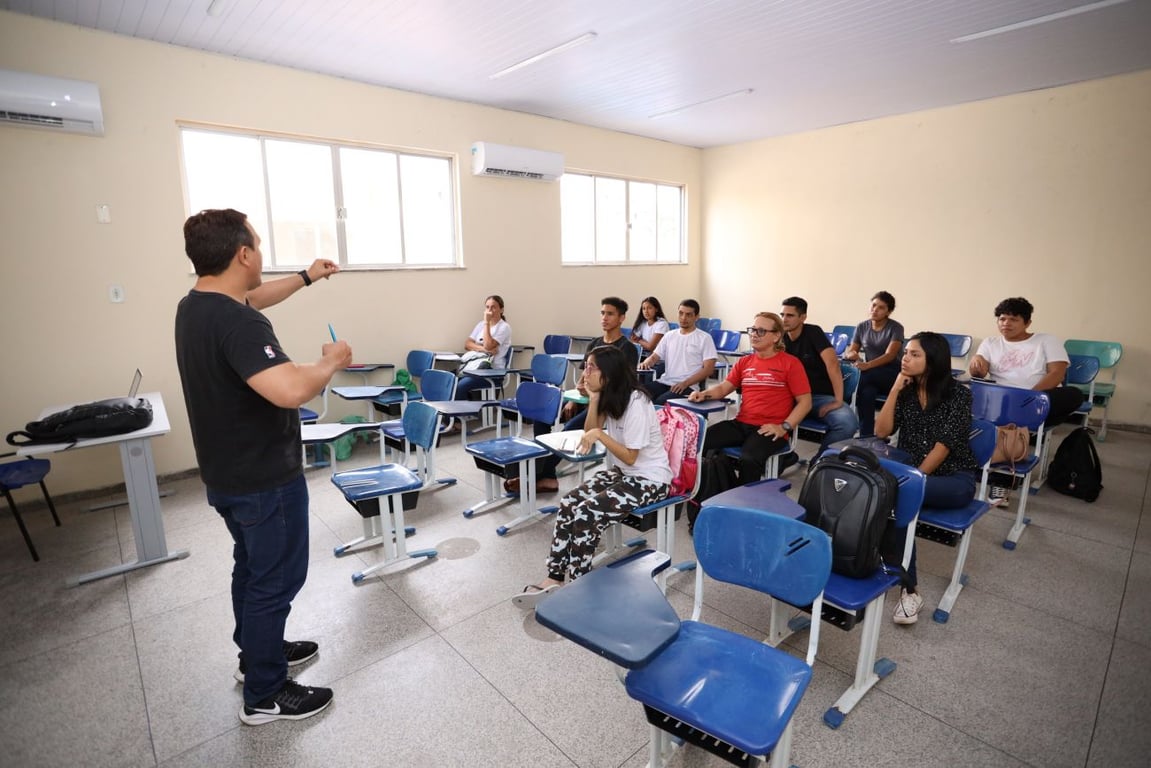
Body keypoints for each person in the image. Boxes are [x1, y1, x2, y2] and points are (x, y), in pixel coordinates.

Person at [175, 209, 351, 725]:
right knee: (275, 579)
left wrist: (304, 277)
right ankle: (266, 694)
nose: (261, 250)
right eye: (257, 242)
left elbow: (255, 296)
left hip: (228, 473)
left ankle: (257, 655)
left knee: (251, 569)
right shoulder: (238, 321)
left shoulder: (197, 306)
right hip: (263, 480)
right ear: (243, 254)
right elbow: (291, 389)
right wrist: (331, 361)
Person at [513, 345, 672, 608]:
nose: (585, 373)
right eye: (585, 366)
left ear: (608, 373)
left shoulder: (637, 402)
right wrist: (595, 398)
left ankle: (579, 585)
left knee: (587, 513)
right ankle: (554, 578)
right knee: (568, 504)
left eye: (591, 367)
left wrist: (600, 435)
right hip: (624, 473)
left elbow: (631, 456)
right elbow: (590, 431)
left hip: (651, 480)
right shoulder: (611, 396)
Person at [876, 331, 979, 626]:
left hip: (954, 480)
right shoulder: (906, 391)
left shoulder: (959, 395)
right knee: (876, 488)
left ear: (933, 361)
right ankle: (879, 563)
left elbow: (943, 446)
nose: (905, 358)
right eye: (905, 353)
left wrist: (913, 481)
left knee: (894, 495)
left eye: (914, 354)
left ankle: (910, 590)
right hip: (912, 473)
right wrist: (895, 389)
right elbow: (882, 431)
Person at [508, 297, 639, 495]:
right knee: (541, 415)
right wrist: (571, 400)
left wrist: (595, 392)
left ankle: (534, 474)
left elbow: (622, 384)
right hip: (584, 400)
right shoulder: (595, 343)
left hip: (606, 405)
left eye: (610, 314)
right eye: (602, 313)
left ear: (622, 318)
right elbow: (582, 378)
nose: (604, 318)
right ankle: (548, 475)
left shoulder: (626, 348)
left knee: (569, 429)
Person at [689, 312, 812, 485]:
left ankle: (744, 502)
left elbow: (805, 402)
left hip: (770, 428)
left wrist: (784, 427)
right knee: (700, 442)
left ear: (776, 336)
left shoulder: (791, 363)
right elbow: (724, 388)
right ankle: (717, 489)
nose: (754, 334)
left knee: (749, 458)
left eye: (761, 331)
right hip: (742, 423)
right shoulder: (744, 362)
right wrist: (704, 394)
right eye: (753, 330)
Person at [968, 297, 1085, 426]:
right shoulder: (990, 343)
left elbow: (1057, 373)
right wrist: (976, 362)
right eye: (1002, 319)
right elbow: (979, 375)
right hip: (1002, 398)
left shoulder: (1047, 340)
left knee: (1074, 394)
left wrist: (1029, 397)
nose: (1006, 323)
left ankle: (1020, 421)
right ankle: (1022, 423)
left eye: (1013, 319)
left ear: (1027, 323)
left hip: (1035, 398)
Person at [780, 296, 859, 453]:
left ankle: (820, 463)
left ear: (803, 317)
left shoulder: (813, 332)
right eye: (782, 315)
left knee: (847, 423)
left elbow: (833, 364)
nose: (784, 319)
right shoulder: (779, 336)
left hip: (816, 396)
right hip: (787, 396)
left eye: (790, 315)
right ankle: (782, 456)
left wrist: (838, 400)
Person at [844, 291, 904, 437]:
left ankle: (841, 397)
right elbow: (852, 350)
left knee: (861, 378)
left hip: (892, 373)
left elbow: (890, 355)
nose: (875, 310)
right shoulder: (862, 326)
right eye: (873, 305)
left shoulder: (896, 327)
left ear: (888, 312)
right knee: (867, 393)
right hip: (870, 374)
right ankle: (867, 436)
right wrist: (853, 355)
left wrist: (867, 365)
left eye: (881, 307)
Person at [637, 299, 717, 405]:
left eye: (688, 315)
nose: (683, 318)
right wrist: (646, 363)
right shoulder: (669, 335)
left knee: (659, 403)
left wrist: (685, 383)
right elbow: (654, 356)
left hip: (687, 386)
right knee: (638, 395)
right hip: (665, 381)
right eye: (681, 313)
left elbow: (708, 369)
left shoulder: (704, 338)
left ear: (697, 317)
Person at [455, 295, 512, 401]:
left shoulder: (504, 327)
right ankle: (452, 415)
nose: (489, 310)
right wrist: (485, 350)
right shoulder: (480, 325)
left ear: (501, 309)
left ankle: (461, 416)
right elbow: (467, 344)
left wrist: (487, 322)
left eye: (493, 307)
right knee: (450, 382)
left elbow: (488, 344)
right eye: (487, 307)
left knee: (461, 386)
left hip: (492, 372)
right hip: (475, 367)